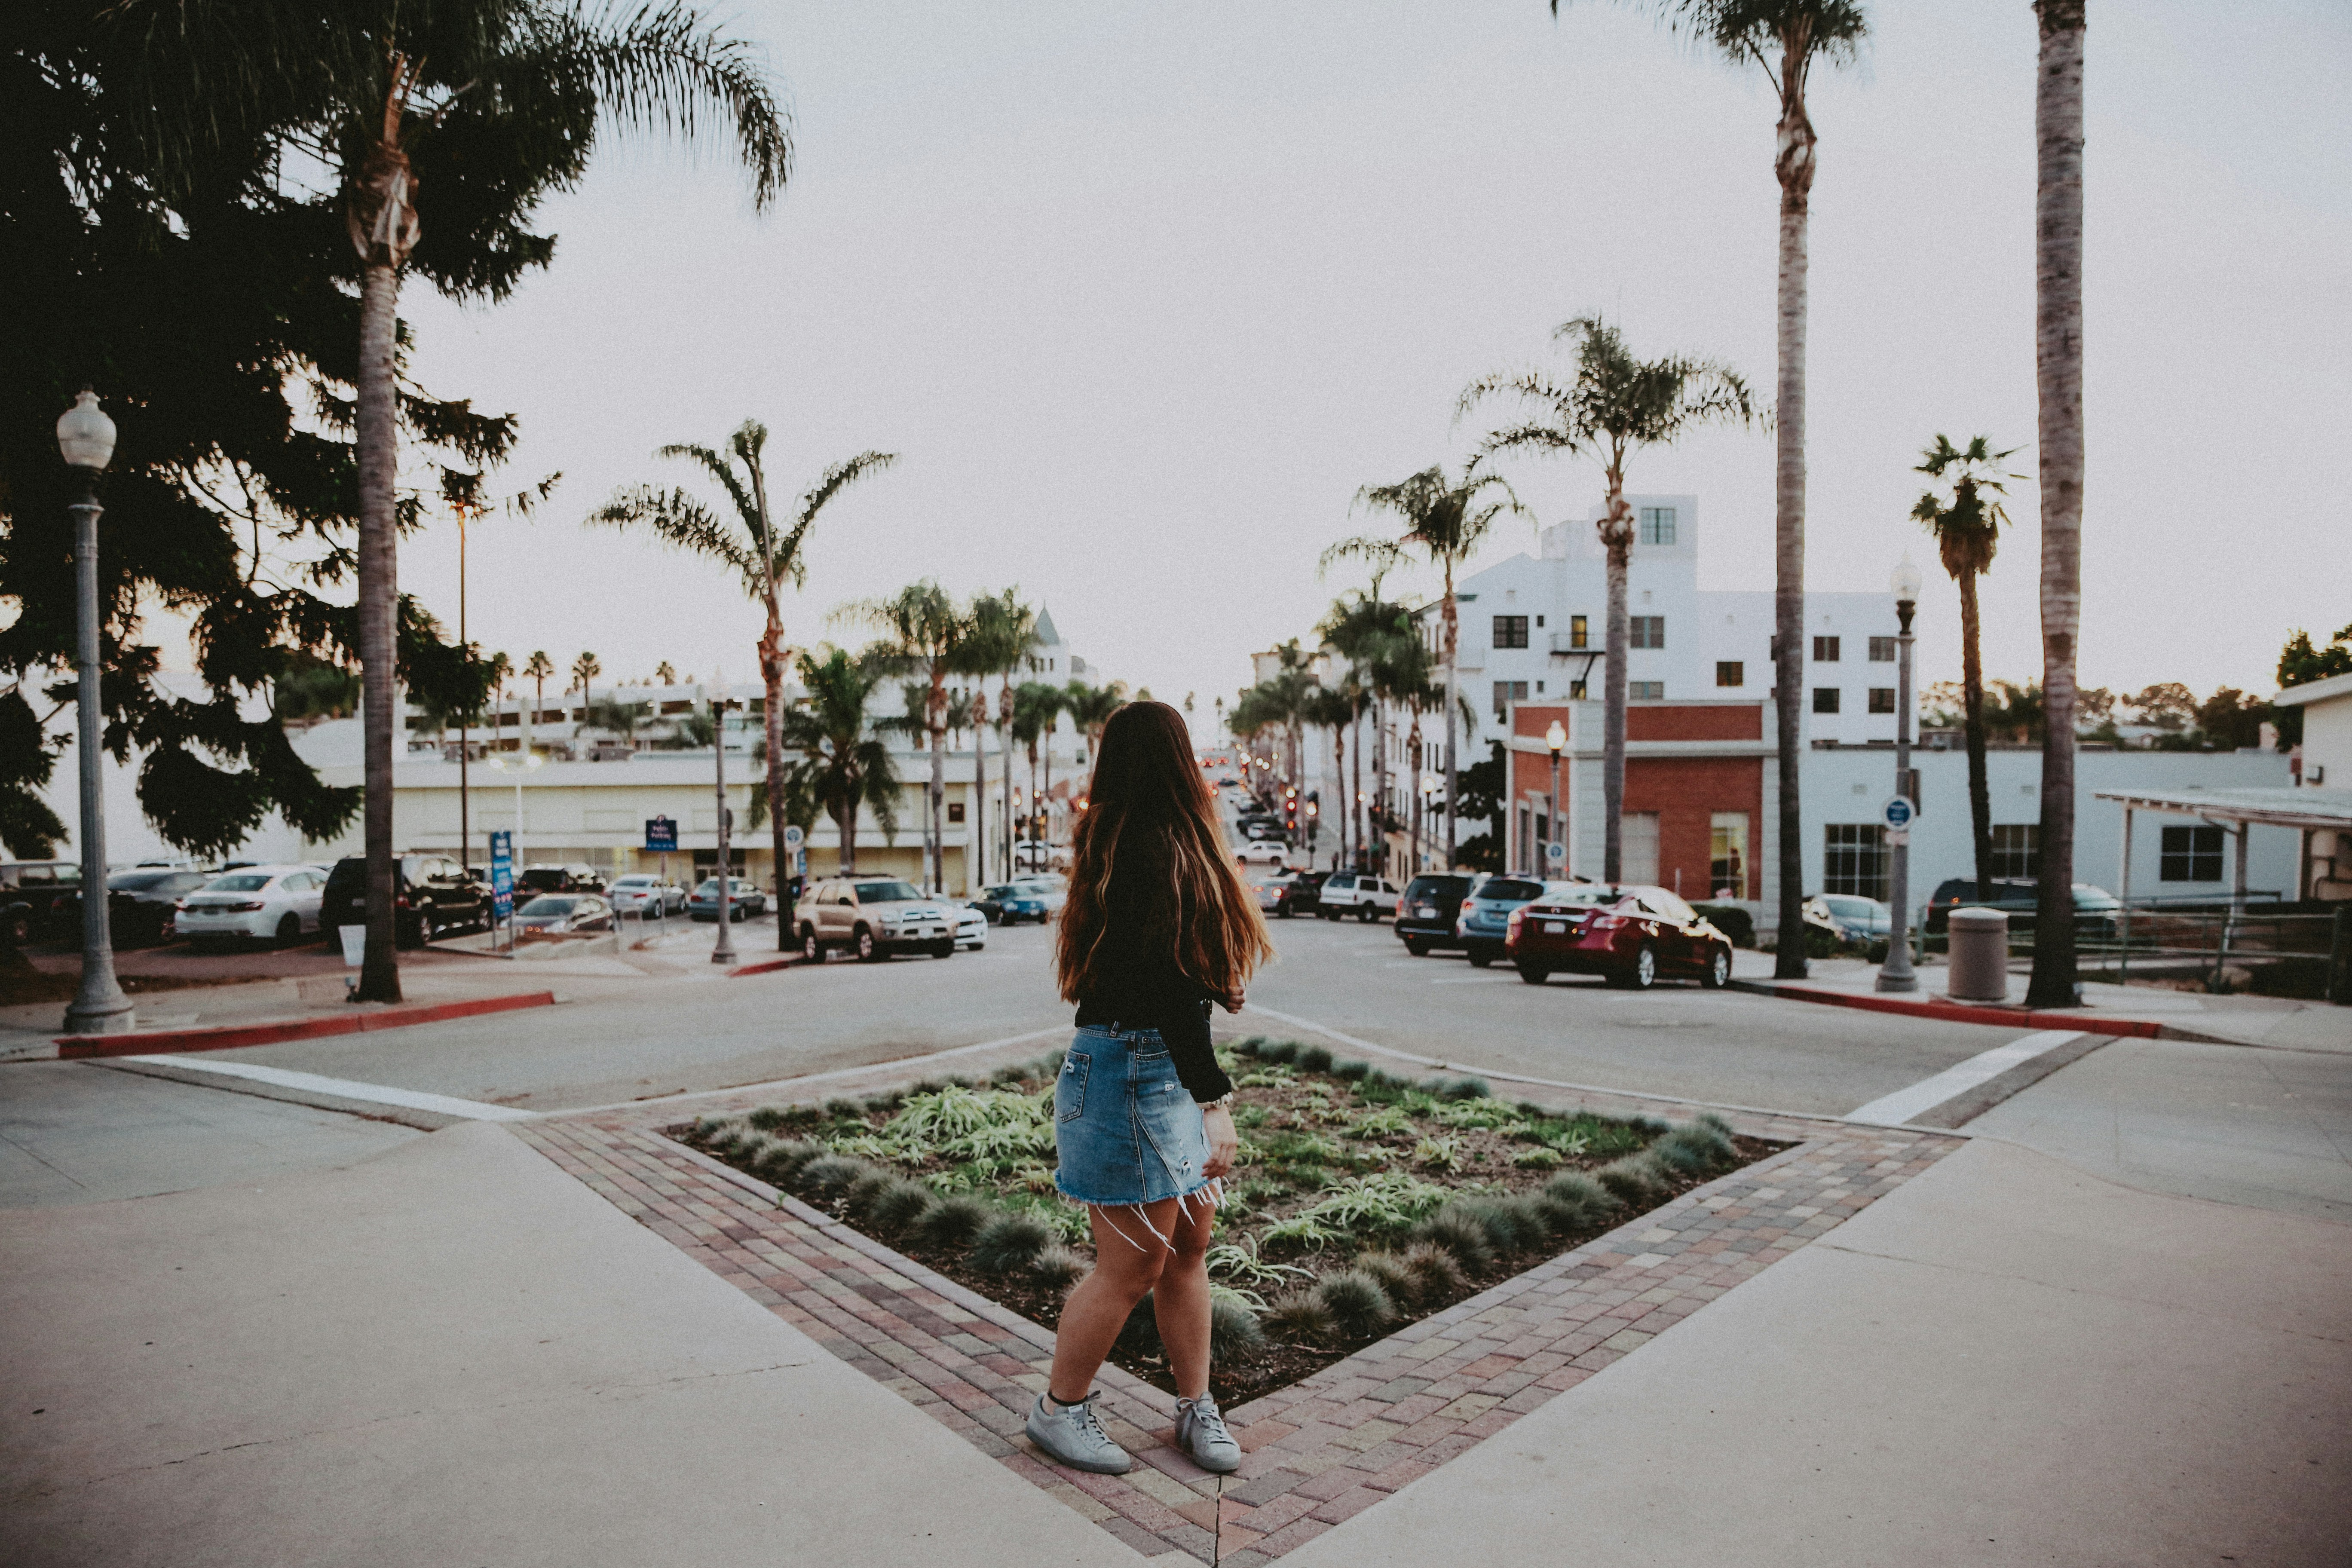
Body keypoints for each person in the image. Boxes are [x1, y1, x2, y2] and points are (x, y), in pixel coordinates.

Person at [1024, 700, 1274, 1477]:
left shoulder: (1141, 841)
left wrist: (1206, 989)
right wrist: (1215, 1101)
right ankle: (1059, 1411)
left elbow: (1152, 974)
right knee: (1131, 1267)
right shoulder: (1144, 846)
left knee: (1189, 1251)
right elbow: (1158, 993)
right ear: (1176, 758)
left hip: (1146, 1065)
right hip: (1130, 1075)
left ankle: (1195, 1408)